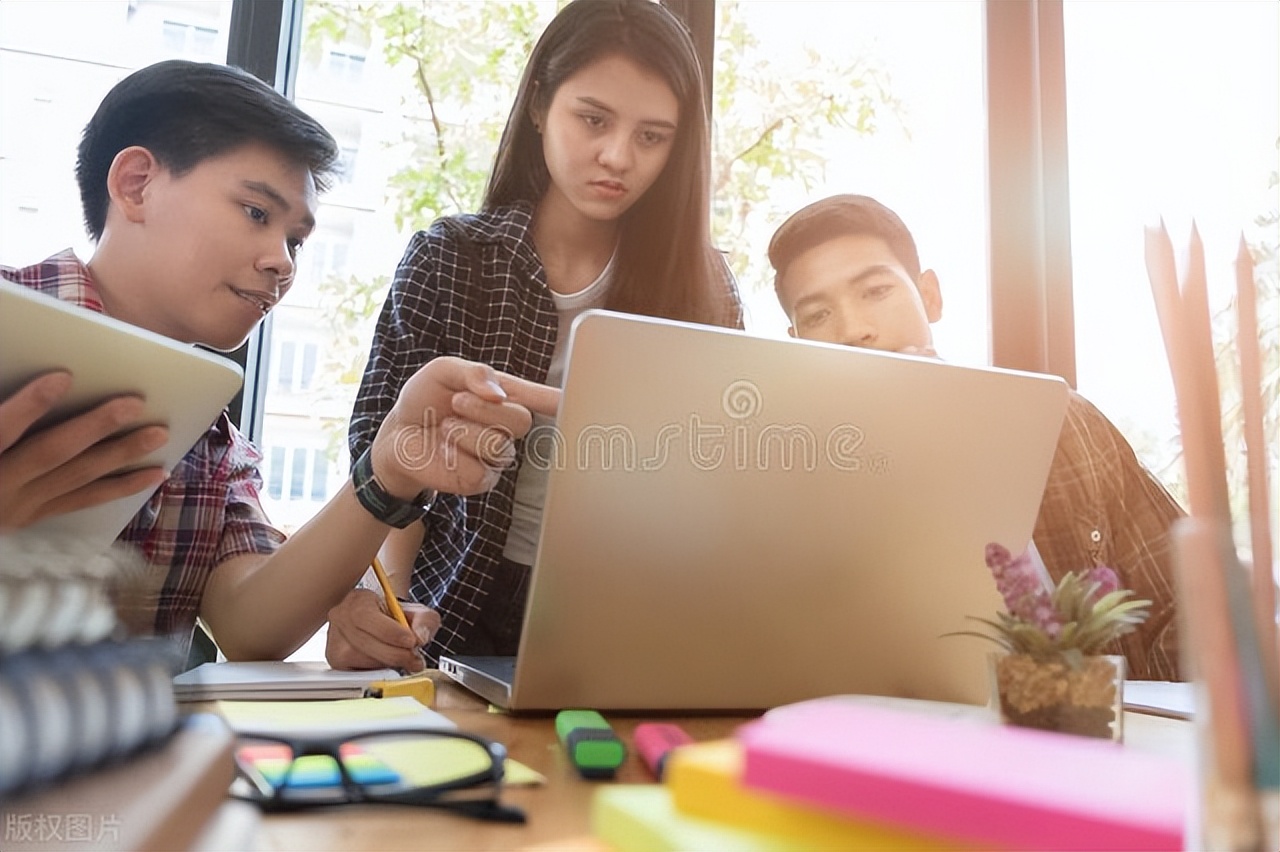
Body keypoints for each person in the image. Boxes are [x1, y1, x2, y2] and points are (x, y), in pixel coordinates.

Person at [0, 60, 557, 666]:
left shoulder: (210, 439)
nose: (282, 263)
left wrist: (391, 470)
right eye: (257, 213)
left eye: (295, 239)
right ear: (136, 184)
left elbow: (250, 626)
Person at [326, 0, 743, 671]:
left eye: (652, 136)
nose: (617, 157)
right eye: (594, 119)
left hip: (626, 612)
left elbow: (721, 490)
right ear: (540, 105)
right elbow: (381, 454)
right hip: (459, 602)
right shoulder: (451, 256)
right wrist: (389, 601)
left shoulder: (705, 289)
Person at [766, 193, 1186, 681]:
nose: (853, 330)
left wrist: (1146, 730)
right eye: (817, 315)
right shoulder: (789, 476)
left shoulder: (1062, 424)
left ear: (930, 297)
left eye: (876, 291)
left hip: (1089, 733)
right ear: (796, 342)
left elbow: (1188, 605)